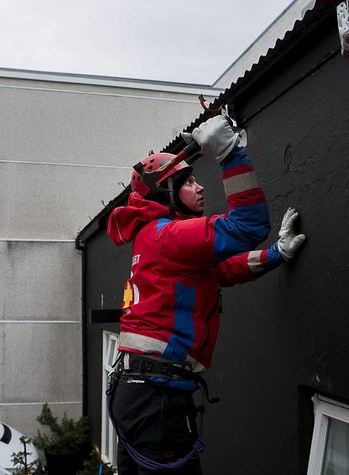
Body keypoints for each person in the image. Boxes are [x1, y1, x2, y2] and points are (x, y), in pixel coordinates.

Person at [106, 115, 306, 474]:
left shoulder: (153, 237)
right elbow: (248, 225)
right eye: (189, 181)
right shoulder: (169, 234)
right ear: (165, 193)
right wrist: (230, 153)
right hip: (157, 397)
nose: (200, 188)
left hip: (141, 392)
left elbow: (223, 271)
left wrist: (278, 253)